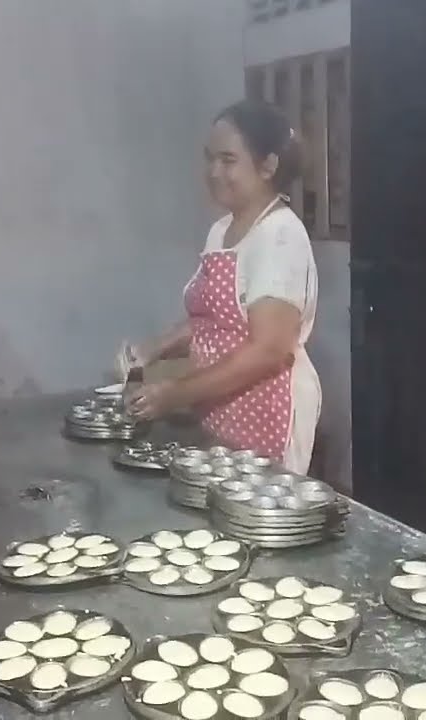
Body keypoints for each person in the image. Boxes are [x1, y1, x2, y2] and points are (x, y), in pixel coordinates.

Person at [124, 99, 321, 474]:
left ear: (268, 166)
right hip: (219, 401)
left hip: (267, 407)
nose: (214, 171)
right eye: (209, 158)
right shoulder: (222, 230)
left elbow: (268, 350)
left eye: (228, 160)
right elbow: (215, 320)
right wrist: (154, 349)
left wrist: (176, 393)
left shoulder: (279, 236)